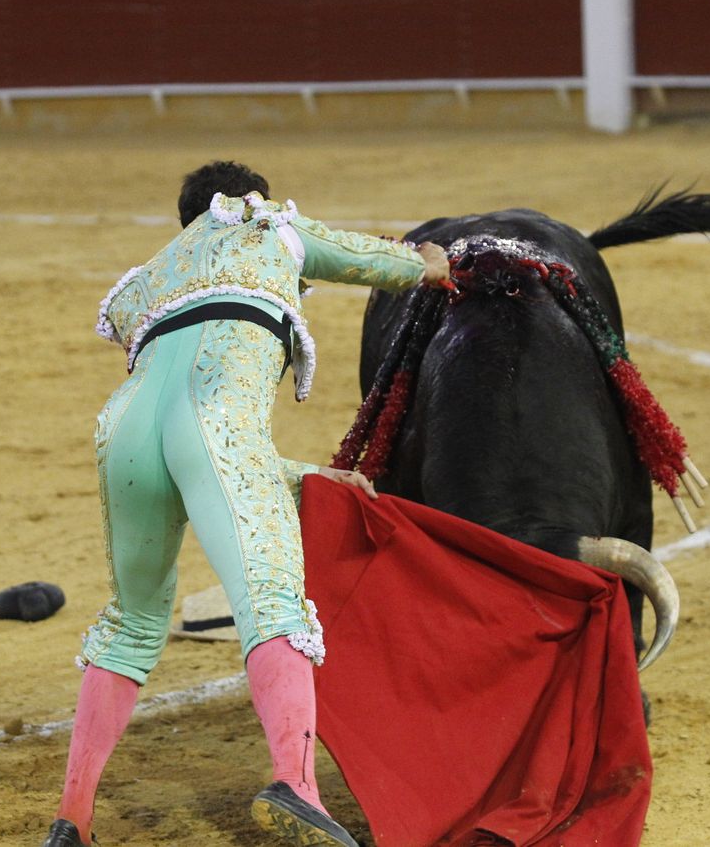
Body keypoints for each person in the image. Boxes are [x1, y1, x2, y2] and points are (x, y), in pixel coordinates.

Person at [39, 162, 450, 847]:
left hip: (124, 432)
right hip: (218, 426)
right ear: (244, 198)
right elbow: (370, 259)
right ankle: (297, 782)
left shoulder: (149, 278)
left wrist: (302, 473)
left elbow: (180, 434)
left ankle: (71, 820)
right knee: (273, 601)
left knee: (134, 621)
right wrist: (428, 264)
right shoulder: (271, 226)